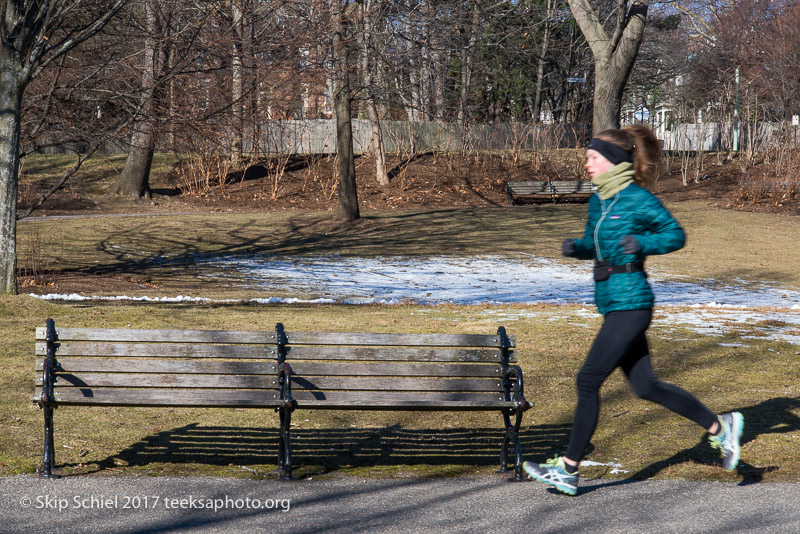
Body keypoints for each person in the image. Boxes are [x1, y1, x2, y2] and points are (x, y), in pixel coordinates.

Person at [523, 124, 743, 496]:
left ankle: (569, 469)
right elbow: (596, 244)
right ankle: (721, 428)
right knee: (645, 386)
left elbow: (675, 235)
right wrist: (578, 248)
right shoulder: (599, 201)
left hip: (633, 303)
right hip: (612, 303)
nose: (587, 165)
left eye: (592, 158)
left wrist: (641, 241)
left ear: (612, 162)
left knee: (588, 379)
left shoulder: (638, 199)